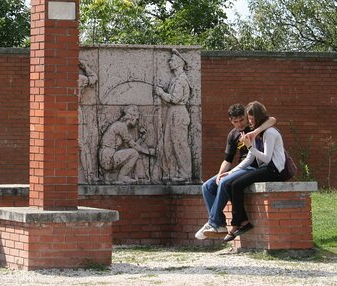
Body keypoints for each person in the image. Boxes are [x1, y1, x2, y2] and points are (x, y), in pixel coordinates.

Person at [195, 104, 275, 239]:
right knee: (208, 186)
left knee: (225, 182)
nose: (240, 124)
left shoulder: (253, 126)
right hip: (240, 167)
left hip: (253, 167)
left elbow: (272, 120)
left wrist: (255, 131)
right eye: (235, 122)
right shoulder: (233, 135)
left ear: (247, 117)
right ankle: (219, 223)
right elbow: (227, 160)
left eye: (242, 120)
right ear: (230, 121)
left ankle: (213, 222)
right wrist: (220, 174)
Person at [223, 101, 288, 241]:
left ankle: (235, 225)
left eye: (251, 119)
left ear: (258, 118)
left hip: (275, 170)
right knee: (229, 183)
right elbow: (249, 158)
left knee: (236, 185)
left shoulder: (270, 132)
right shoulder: (257, 133)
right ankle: (244, 221)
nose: (249, 122)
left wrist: (250, 147)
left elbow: (266, 158)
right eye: (249, 119)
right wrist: (231, 172)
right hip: (265, 168)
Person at [155, 49, 192, 183]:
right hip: (173, 112)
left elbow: (175, 99)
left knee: (180, 143)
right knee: (168, 143)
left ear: (178, 63)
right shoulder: (175, 79)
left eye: (172, 60)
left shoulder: (182, 80)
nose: (169, 62)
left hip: (179, 112)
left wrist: (160, 93)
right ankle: (173, 172)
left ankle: (185, 173)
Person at [99, 105, 156, 183]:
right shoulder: (121, 126)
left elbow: (130, 146)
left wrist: (142, 139)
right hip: (108, 159)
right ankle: (122, 176)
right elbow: (133, 146)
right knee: (135, 153)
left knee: (133, 151)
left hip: (106, 157)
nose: (137, 122)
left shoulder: (120, 125)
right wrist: (148, 152)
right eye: (137, 119)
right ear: (131, 117)